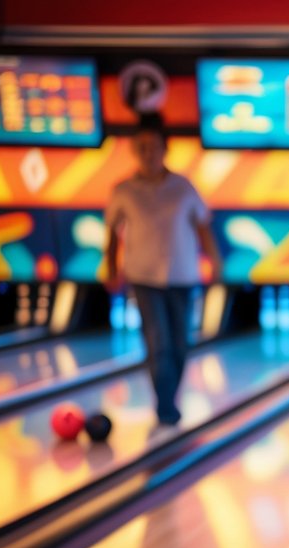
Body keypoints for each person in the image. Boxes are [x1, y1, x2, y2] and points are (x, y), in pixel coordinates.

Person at [105, 114, 220, 426]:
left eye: (153, 147)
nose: (148, 153)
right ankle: (166, 407)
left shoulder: (183, 187)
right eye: (141, 147)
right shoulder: (123, 191)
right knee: (160, 343)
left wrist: (215, 261)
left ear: (164, 149)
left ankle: (167, 400)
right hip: (142, 277)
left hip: (183, 276)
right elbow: (113, 233)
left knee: (180, 344)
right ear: (133, 150)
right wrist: (110, 267)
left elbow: (203, 227)